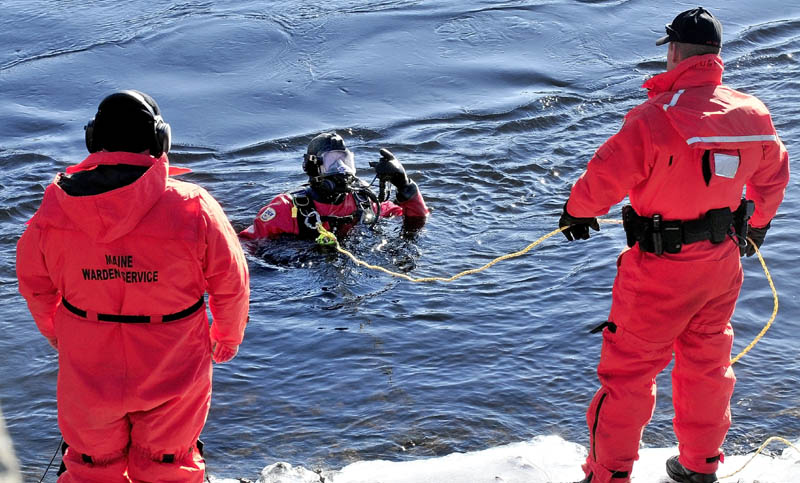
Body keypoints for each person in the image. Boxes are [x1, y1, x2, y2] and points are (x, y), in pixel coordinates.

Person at [558, 8, 789, 483]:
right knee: (708, 365)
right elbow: (775, 175)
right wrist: (759, 226)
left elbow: (604, 175)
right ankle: (700, 466)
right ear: (715, 56)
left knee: (628, 375)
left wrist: (578, 211)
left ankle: (609, 475)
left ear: (674, 51)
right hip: (722, 265)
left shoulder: (653, 119)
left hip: (660, 272)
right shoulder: (753, 115)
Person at [16, 90, 250, 482]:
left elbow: (34, 284)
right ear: (162, 140)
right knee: (168, 466)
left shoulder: (55, 205)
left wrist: (58, 333)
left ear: (93, 140)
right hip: (173, 362)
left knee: (91, 465)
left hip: (88, 365)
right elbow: (232, 283)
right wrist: (225, 339)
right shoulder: (193, 205)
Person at [239, 132, 429, 240]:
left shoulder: (362, 200)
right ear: (314, 168)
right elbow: (246, 247)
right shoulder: (285, 209)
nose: (341, 169)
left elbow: (415, 222)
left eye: (345, 160)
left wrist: (405, 185)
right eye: (332, 162)